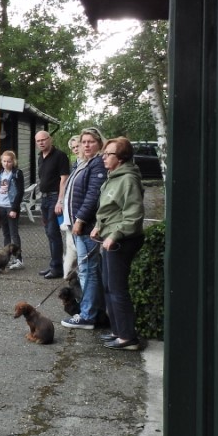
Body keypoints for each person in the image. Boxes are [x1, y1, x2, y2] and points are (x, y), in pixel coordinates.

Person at [92, 137, 146, 350]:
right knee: (108, 286)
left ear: (121, 157)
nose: (104, 157)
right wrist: (99, 226)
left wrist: (115, 235)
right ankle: (117, 331)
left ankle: (128, 337)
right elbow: (109, 209)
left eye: (109, 154)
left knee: (117, 288)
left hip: (122, 241)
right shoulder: (113, 177)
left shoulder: (128, 180)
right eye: (104, 154)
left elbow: (133, 215)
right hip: (109, 238)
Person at [60, 127, 108, 330]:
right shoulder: (85, 163)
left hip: (86, 227)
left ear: (99, 144)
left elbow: (92, 196)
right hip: (77, 225)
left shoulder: (97, 164)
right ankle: (93, 311)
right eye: (84, 142)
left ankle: (88, 315)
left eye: (91, 142)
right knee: (88, 271)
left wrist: (79, 220)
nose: (86, 145)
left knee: (88, 271)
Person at [35, 130, 71, 279]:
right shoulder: (40, 157)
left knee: (53, 232)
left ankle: (57, 268)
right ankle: (53, 265)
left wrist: (60, 201)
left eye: (44, 139)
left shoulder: (60, 156)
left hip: (54, 198)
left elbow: (64, 179)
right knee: (49, 233)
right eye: (38, 141)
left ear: (50, 139)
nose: (41, 143)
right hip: (44, 198)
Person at [0, 150, 25, 268]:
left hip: (11, 206)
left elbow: (20, 192)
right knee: (6, 234)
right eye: (4, 161)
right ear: (1, 161)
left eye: (9, 161)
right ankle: (6, 258)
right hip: (0, 205)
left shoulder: (17, 173)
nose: (6, 163)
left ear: (13, 162)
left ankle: (18, 259)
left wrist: (14, 208)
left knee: (14, 233)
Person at [61, 135, 81, 281]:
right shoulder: (75, 165)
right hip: (69, 216)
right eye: (73, 148)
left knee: (80, 250)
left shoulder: (88, 165)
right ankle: (68, 275)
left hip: (80, 217)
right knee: (70, 248)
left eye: (77, 146)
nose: (75, 149)